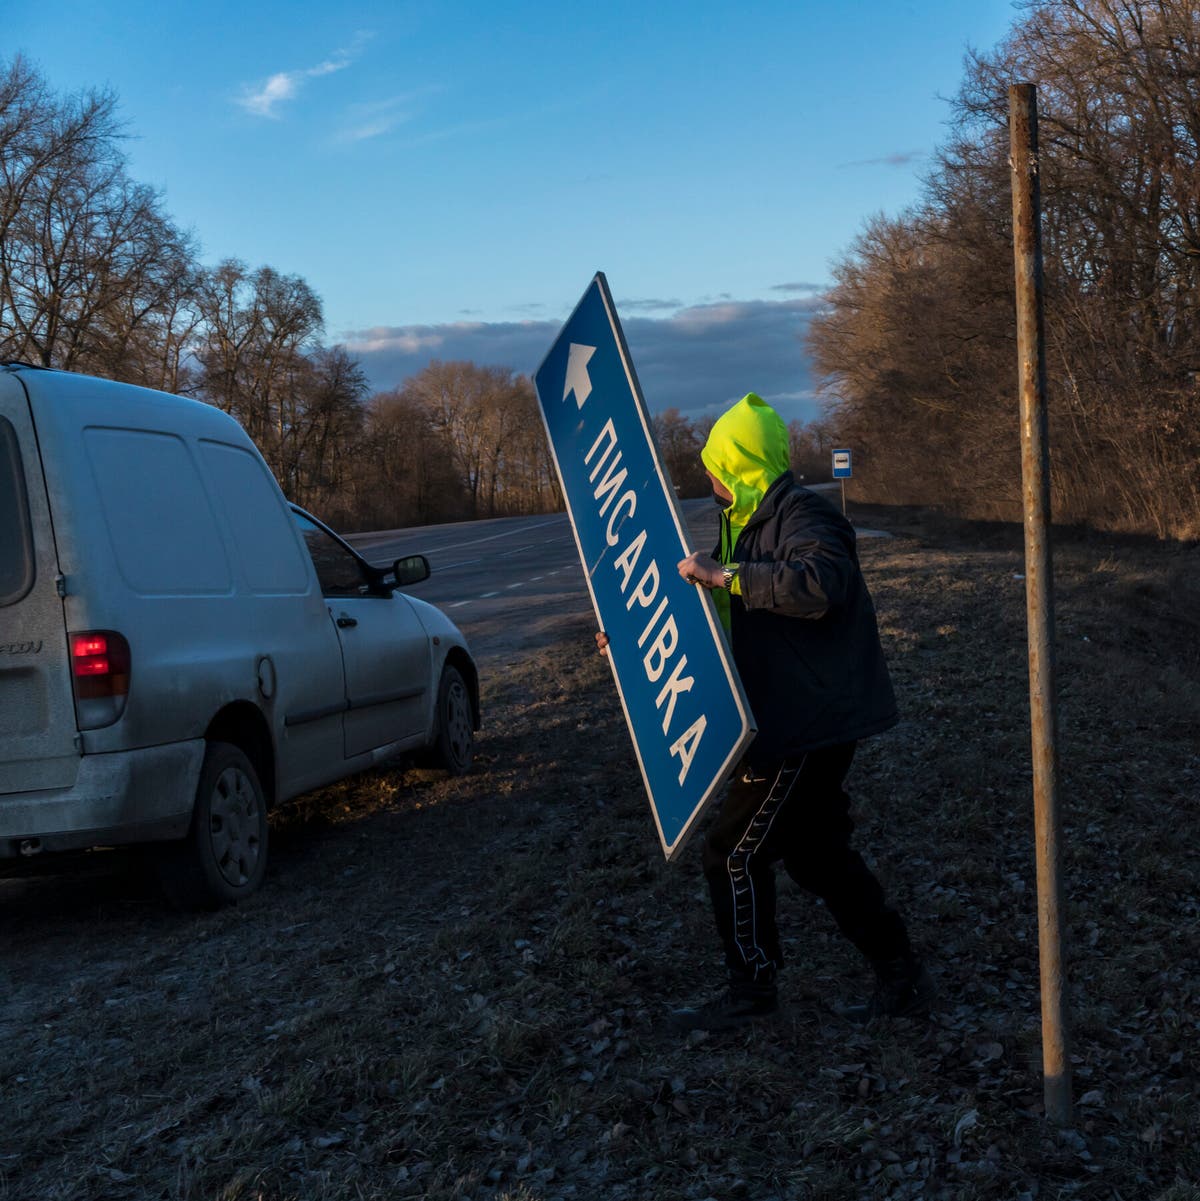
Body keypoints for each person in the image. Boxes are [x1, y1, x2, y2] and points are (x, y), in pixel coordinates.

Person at [600, 393, 931, 1031]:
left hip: (802, 722)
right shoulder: (751, 524)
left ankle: (752, 994)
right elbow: (726, 617)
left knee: (732, 852)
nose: (710, 477)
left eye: (717, 464)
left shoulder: (803, 514)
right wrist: (636, 633)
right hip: (796, 714)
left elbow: (820, 586)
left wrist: (725, 576)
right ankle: (904, 975)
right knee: (817, 852)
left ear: (742, 461)